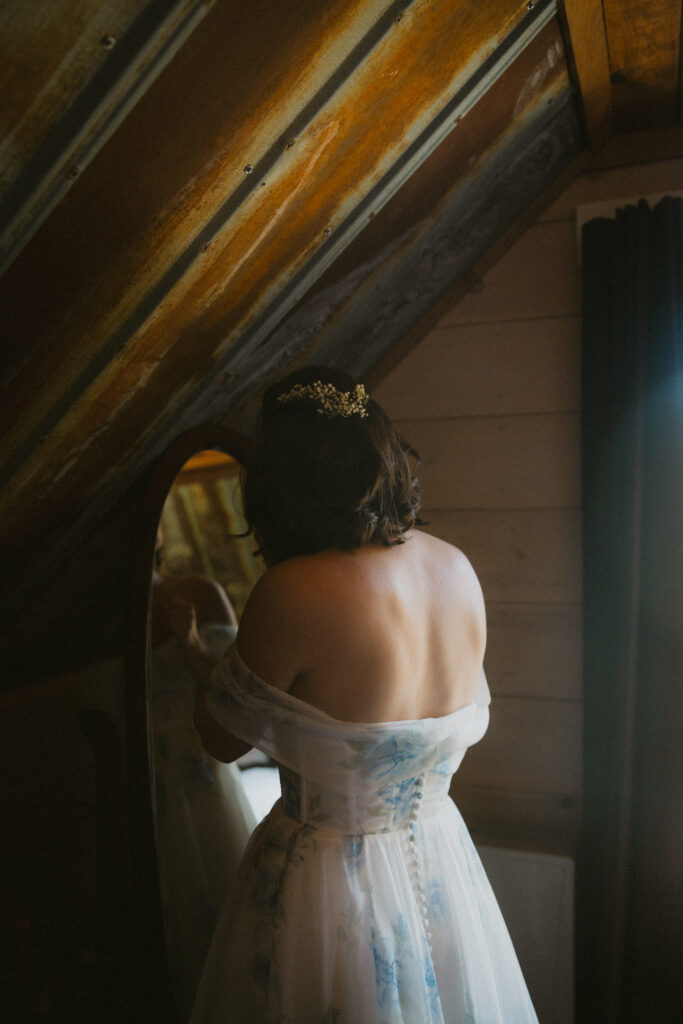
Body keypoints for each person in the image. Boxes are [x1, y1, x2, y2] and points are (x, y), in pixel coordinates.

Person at [182, 366, 539, 1023]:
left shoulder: (292, 591)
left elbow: (221, 738)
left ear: (281, 487)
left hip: (326, 879)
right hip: (439, 860)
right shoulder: (453, 566)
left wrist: (204, 663)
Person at [149, 536, 256, 1020]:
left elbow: (233, 695)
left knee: (221, 888)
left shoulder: (199, 590)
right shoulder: (107, 611)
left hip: (200, 768)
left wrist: (188, 640)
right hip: (149, 768)